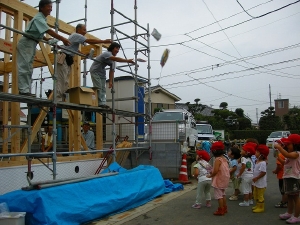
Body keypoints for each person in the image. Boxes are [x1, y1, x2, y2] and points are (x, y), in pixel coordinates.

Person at [17, 0, 71, 95]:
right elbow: (48, 30)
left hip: (32, 42)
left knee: (28, 66)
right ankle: (23, 90)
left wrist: (48, 40)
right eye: (48, 6)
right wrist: (62, 38)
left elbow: (40, 34)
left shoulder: (42, 19)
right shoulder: (39, 19)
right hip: (27, 42)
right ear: (41, 7)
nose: (50, 9)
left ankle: (25, 90)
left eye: (51, 7)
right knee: (25, 65)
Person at [56, 24, 111, 101]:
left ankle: (63, 99)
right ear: (78, 30)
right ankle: (58, 100)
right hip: (64, 58)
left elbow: (74, 49)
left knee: (65, 81)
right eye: (84, 30)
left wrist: (83, 54)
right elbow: (89, 40)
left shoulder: (74, 37)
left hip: (67, 59)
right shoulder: (76, 35)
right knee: (61, 80)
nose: (85, 32)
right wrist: (103, 41)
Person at [89, 42, 135, 108]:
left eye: (118, 49)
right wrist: (127, 61)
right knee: (98, 87)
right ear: (112, 48)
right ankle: (99, 103)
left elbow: (112, 71)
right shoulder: (107, 53)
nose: (117, 50)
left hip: (102, 72)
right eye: (116, 48)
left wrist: (110, 81)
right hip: (95, 71)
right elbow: (116, 59)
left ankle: (102, 103)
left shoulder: (113, 62)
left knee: (103, 89)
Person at [274, 134, 300, 223]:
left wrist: (279, 147)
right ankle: (289, 213)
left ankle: (296, 216)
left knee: (296, 197)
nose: (286, 146)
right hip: (288, 177)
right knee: (289, 196)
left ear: (295, 144)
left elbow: (288, 155)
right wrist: (278, 153)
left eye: (289, 144)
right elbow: (284, 162)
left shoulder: (296, 154)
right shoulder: (291, 154)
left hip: (294, 178)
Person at [206, 141, 230, 216]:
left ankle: (221, 209)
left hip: (219, 179)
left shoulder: (217, 160)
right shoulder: (224, 158)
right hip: (224, 178)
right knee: (223, 194)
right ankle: (225, 208)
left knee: (219, 196)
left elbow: (215, 171)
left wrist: (210, 175)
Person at [236, 142, 256, 207]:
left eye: (242, 150)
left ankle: (246, 201)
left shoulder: (243, 158)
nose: (241, 150)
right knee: (250, 189)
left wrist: (239, 174)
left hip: (246, 176)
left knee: (245, 190)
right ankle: (250, 200)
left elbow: (243, 166)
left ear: (246, 152)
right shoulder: (250, 159)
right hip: (251, 175)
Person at [252, 144, 269, 213]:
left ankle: (261, 207)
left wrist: (257, 178)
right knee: (256, 194)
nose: (255, 153)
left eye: (257, 152)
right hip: (257, 183)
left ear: (261, 154)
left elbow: (263, 172)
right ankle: (257, 205)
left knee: (260, 196)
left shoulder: (262, 163)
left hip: (261, 183)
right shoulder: (257, 161)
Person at [273, 138, 288, 208]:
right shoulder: (287, 153)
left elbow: (279, 165)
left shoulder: (281, 155)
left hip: (282, 175)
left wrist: (276, 171)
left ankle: (284, 202)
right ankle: (287, 201)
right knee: (287, 189)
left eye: (278, 143)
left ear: (283, 145)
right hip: (287, 174)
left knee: (283, 190)